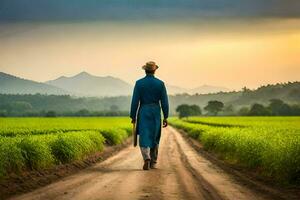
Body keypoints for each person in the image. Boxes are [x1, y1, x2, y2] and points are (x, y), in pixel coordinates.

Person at [130, 61, 169, 170]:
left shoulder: (139, 83)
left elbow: (135, 101)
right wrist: (165, 116)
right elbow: (164, 102)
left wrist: (133, 116)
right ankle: (153, 161)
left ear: (145, 70)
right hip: (156, 111)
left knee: (144, 135)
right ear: (155, 70)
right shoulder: (160, 84)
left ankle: (146, 157)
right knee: (155, 136)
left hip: (143, 111)